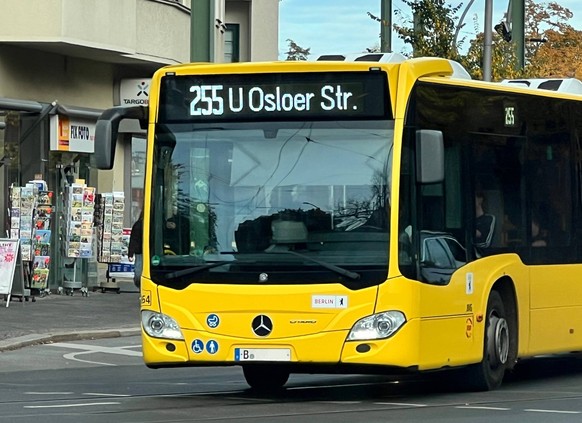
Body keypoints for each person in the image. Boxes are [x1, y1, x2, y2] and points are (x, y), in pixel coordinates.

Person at [128, 212, 143, 288]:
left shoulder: (138, 224)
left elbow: (133, 240)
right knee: (139, 270)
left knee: (138, 270)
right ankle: (139, 284)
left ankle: (139, 283)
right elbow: (134, 240)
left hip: (139, 251)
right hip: (141, 251)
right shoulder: (139, 225)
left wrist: (130, 253)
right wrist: (130, 253)